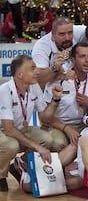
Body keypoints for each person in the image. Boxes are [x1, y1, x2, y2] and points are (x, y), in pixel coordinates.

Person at [0, 55, 69, 191]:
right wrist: (38, 147)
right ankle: (1, 176)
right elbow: (8, 129)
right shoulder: (4, 91)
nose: (37, 71)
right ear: (20, 74)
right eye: (32, 69)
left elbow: (45, 117)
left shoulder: (34, 86)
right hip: (4, 131)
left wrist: (55, 100)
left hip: (20, 129)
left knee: (48, 139)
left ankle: (19, 166)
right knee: (12, 145)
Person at [42, 43, 88, 147]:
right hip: (59, 125)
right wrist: (66, 128)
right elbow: (45, 116)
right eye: (82, 56)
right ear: (73, 60)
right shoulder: (58, 79)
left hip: (85, 123)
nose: (87, 60)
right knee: (58, 143)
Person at [31, 17, 87, 87]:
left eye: (70, 33)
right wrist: (55, 68)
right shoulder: (41, 46)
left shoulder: (78, 31)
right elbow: (39, 78)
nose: (67, 38)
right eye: (62, 34)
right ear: (53, 36)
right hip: (54, 90)